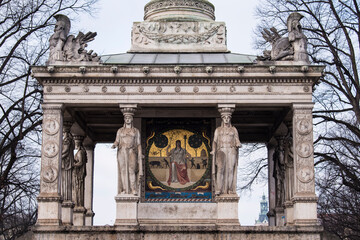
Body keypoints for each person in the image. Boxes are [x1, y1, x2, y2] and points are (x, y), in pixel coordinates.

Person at [211, 108, 241, 195]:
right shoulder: (218, 130)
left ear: (230, 118)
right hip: (221, 150)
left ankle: (230, 189)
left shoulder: (234, 129)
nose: (226, 119)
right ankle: (219, 189)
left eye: (228, 117)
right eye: (225, 117)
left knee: (231, 169)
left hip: (231, 150)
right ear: (222, 119)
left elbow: (237, 139)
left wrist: (238, 143)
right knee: (220, 169)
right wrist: (213, 150)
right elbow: (215, 141)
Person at [112, 110, 142, 195]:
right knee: (123, 170)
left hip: (132, 151)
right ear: (124, 119)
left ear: (132, 119)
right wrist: (114, 145)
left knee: (131, 170)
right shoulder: (120, 131)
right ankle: (125, 189)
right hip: (122, 151)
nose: (127, 119)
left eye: (129, 118)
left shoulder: (136, 131)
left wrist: (139, 154)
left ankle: (133, 189)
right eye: (126, 118)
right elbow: (117, 141)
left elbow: (139, 143)